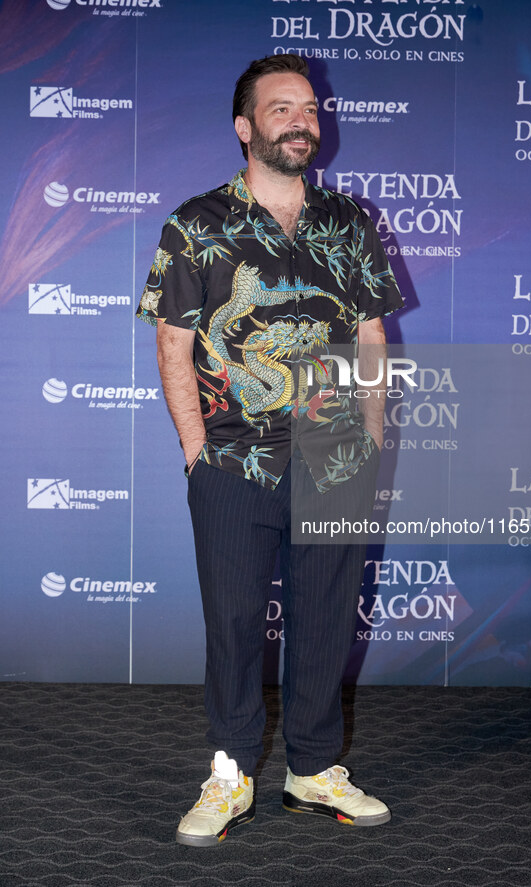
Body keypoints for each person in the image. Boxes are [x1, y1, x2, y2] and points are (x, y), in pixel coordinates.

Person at [137, 54, 404, 847]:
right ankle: (229, 772)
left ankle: (312, 769)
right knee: (233, 624)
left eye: (311, 108)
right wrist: (195, 451)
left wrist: (370, 437)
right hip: (230, 464)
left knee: (325, 619)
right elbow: (173, 343)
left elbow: (369, 334)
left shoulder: (349, 222)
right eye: (281, 107)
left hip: (333, 459)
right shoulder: (197, 224)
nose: (301, 119)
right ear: (244, 127)